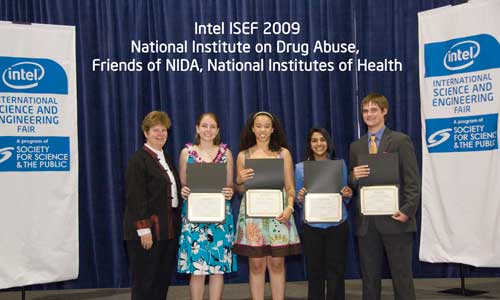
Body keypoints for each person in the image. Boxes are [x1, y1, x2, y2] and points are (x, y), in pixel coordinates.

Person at [348, 93, 420, 300]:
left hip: (396, 219)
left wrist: (407, 211)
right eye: (365, 111)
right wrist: (353, 177)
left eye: (373, 110)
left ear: (384, 112)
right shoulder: (356, 146)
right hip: (367, 223)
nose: (369, 114)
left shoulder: (400, 140)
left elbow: (413, 181)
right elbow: (352, 185)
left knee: (402, 278)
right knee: (369, 279)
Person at [233, 111, 301, 300]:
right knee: (256, 265)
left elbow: (290, 187)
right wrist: (238, 180)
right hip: (252, 217)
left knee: (277, 263)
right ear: (252, 128)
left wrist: (289, 207)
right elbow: (240, 191)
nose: (262, 130)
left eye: (266, 126)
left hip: (279, 214)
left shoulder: (283, 153)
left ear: (272, 129)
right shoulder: (243, 155)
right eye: (259, 126)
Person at [177, 112, 236, 300]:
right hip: (195, 216)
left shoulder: (226, 152)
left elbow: (230, 185)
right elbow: (184, 184)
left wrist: (230, 191)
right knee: (197, 268)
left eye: (212, 126)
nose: (208, 130)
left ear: (218, 129)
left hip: (220, 216)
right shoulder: (187, 152)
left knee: (218, 268)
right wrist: (183, 191)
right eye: (204, 125)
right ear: (197, 128)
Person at [123, 111, 182, 300]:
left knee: (161, 280)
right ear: (146, 133)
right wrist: (144, 230)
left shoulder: (167, 158)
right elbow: (135, 197)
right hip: (147, 232)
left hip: (167, 230)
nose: (160, 134)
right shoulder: (138, 160)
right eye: (155, 130)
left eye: (163, 130)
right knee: (144, 282)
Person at [295, 127, 353, 300]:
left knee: (336, 270)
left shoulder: (339, 164)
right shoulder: (300, 168)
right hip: (312, 226)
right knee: (314, 271)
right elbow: (298, 200)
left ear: (328, 142)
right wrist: (300, 197)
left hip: (337, 224)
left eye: (322, 139)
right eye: (314, 140)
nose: (318, 143)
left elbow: (345, 194)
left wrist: (348, 193)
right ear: (309, 144)